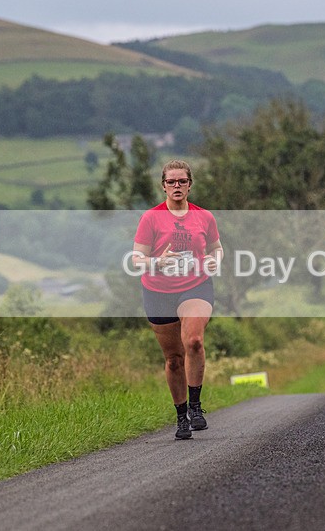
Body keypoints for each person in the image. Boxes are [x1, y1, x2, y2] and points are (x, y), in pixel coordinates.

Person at [131, 159, 223, 440]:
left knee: (194, 341)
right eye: (171, 181)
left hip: (195, 285)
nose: (177, 186)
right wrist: (158, 262)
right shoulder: (151, 218)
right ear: (163, 186)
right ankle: (181, 414)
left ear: (190, 185)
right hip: (158, 290)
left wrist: (213, 261)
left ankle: (196, 408)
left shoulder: (204, 217)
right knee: (173, 359)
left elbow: (217, 248)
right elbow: (136, 259)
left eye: (182, 181)